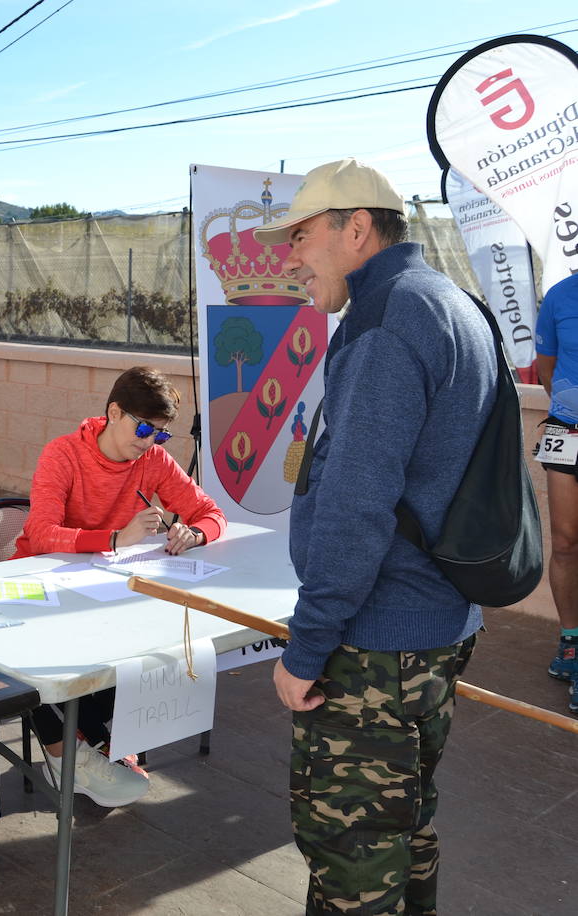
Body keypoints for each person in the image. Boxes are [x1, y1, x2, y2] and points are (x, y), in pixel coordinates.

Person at [254, 158, 492, 915]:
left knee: (353, 857)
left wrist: (308, 647)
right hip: (433, 624)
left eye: (301, 236)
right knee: (404, 830)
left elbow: (357, 507)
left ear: (356, 229)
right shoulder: (448, 302)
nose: (290, 256)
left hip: (377, 643)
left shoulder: (388, 322)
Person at [12, 366, 226, 806]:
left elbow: (209, 510)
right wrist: (114, 538)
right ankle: (70, 755)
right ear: (113, 412)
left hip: (105, 592)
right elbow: (40, 531)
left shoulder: (153, 461)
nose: (149, 442)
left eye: (161, 435)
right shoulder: (63, 453)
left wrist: (196, 533)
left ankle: (95, 741)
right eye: (144, 428)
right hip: (38, 587)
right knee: (38, 664)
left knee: (142, 646)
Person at [533, 271, 578, 710]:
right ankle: (571, 641)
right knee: (564, 544)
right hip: (567, 430)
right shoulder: (560, 296)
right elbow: (546, 370)